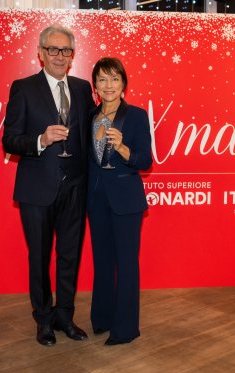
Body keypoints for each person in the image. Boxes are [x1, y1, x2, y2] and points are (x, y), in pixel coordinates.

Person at [2, 25, 94, 346]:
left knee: (70, 255)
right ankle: (43, 319)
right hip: (37, 189)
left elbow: (91, 132)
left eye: (65, 50)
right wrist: (41, 140)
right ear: (41, 53)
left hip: (75, 188)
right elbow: (10, 140)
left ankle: (65, 316)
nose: (59, 56)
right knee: (39, 258)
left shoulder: (82, 88)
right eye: (53, 49)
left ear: (72, 55)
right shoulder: (23, 88)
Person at [87, 57, 153, 345]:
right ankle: (102, 319)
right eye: (102, 79)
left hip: (126, 201)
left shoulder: (136, 116)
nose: (108, 85)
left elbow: (145, 161)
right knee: (102, 261)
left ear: (124, 84)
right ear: (95, 86)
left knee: (126, 264)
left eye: (114, 78)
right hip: (96, 199)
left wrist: (124, 149)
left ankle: (125, 329)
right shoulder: (89, 117)